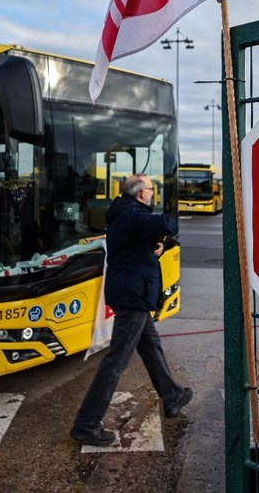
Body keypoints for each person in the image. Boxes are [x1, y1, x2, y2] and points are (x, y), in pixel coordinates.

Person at [70, 174, 192, 446]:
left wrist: (154, 247)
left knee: (151, 346)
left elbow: (134, 246)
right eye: (151, 189)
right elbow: (166, 222)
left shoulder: (124, 214)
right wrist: (161, 233)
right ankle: (86, 424)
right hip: (133, 293)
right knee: (116, 361)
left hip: (132, 291)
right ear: (141, 193)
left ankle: (172, 396)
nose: (152, 193)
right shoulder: (132, 214)